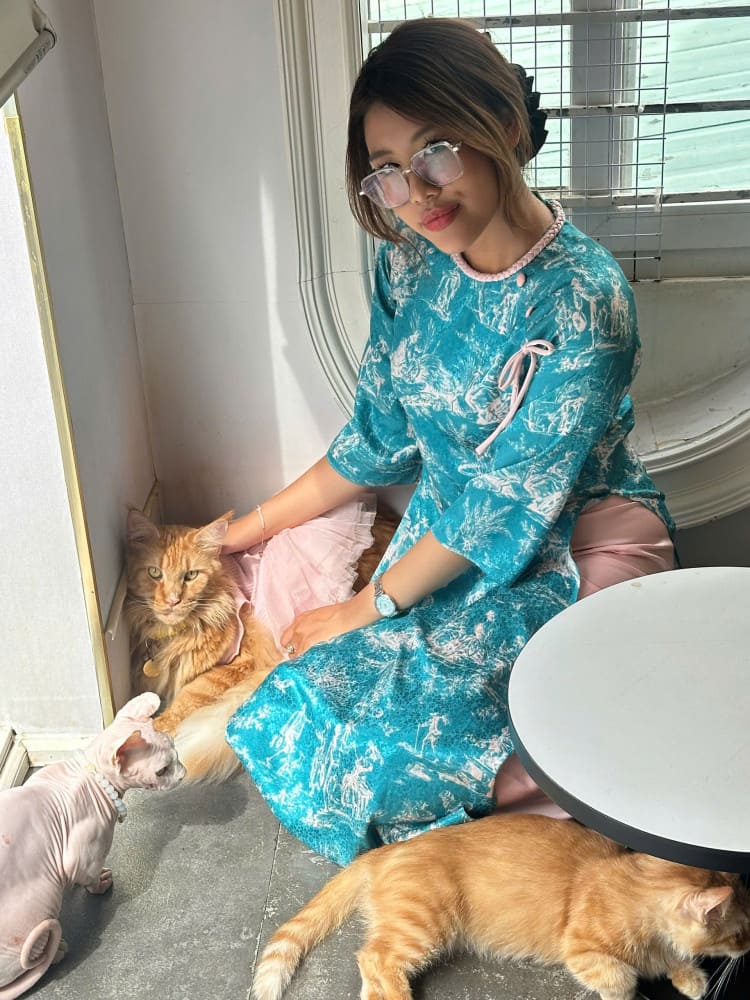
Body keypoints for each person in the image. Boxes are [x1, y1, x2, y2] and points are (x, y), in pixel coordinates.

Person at [223, 17, 675, 865]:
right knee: (293, 716)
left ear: (499, 124)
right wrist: (240, 532)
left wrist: (363, 607)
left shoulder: (587, 302)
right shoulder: (406, 264)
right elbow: (377, 440)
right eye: (388, 171)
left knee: (414, 753)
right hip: (445, 549)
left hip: (576, 548)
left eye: (435, 151)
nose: (416, 192)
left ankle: (560, 801)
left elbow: (507, 503)